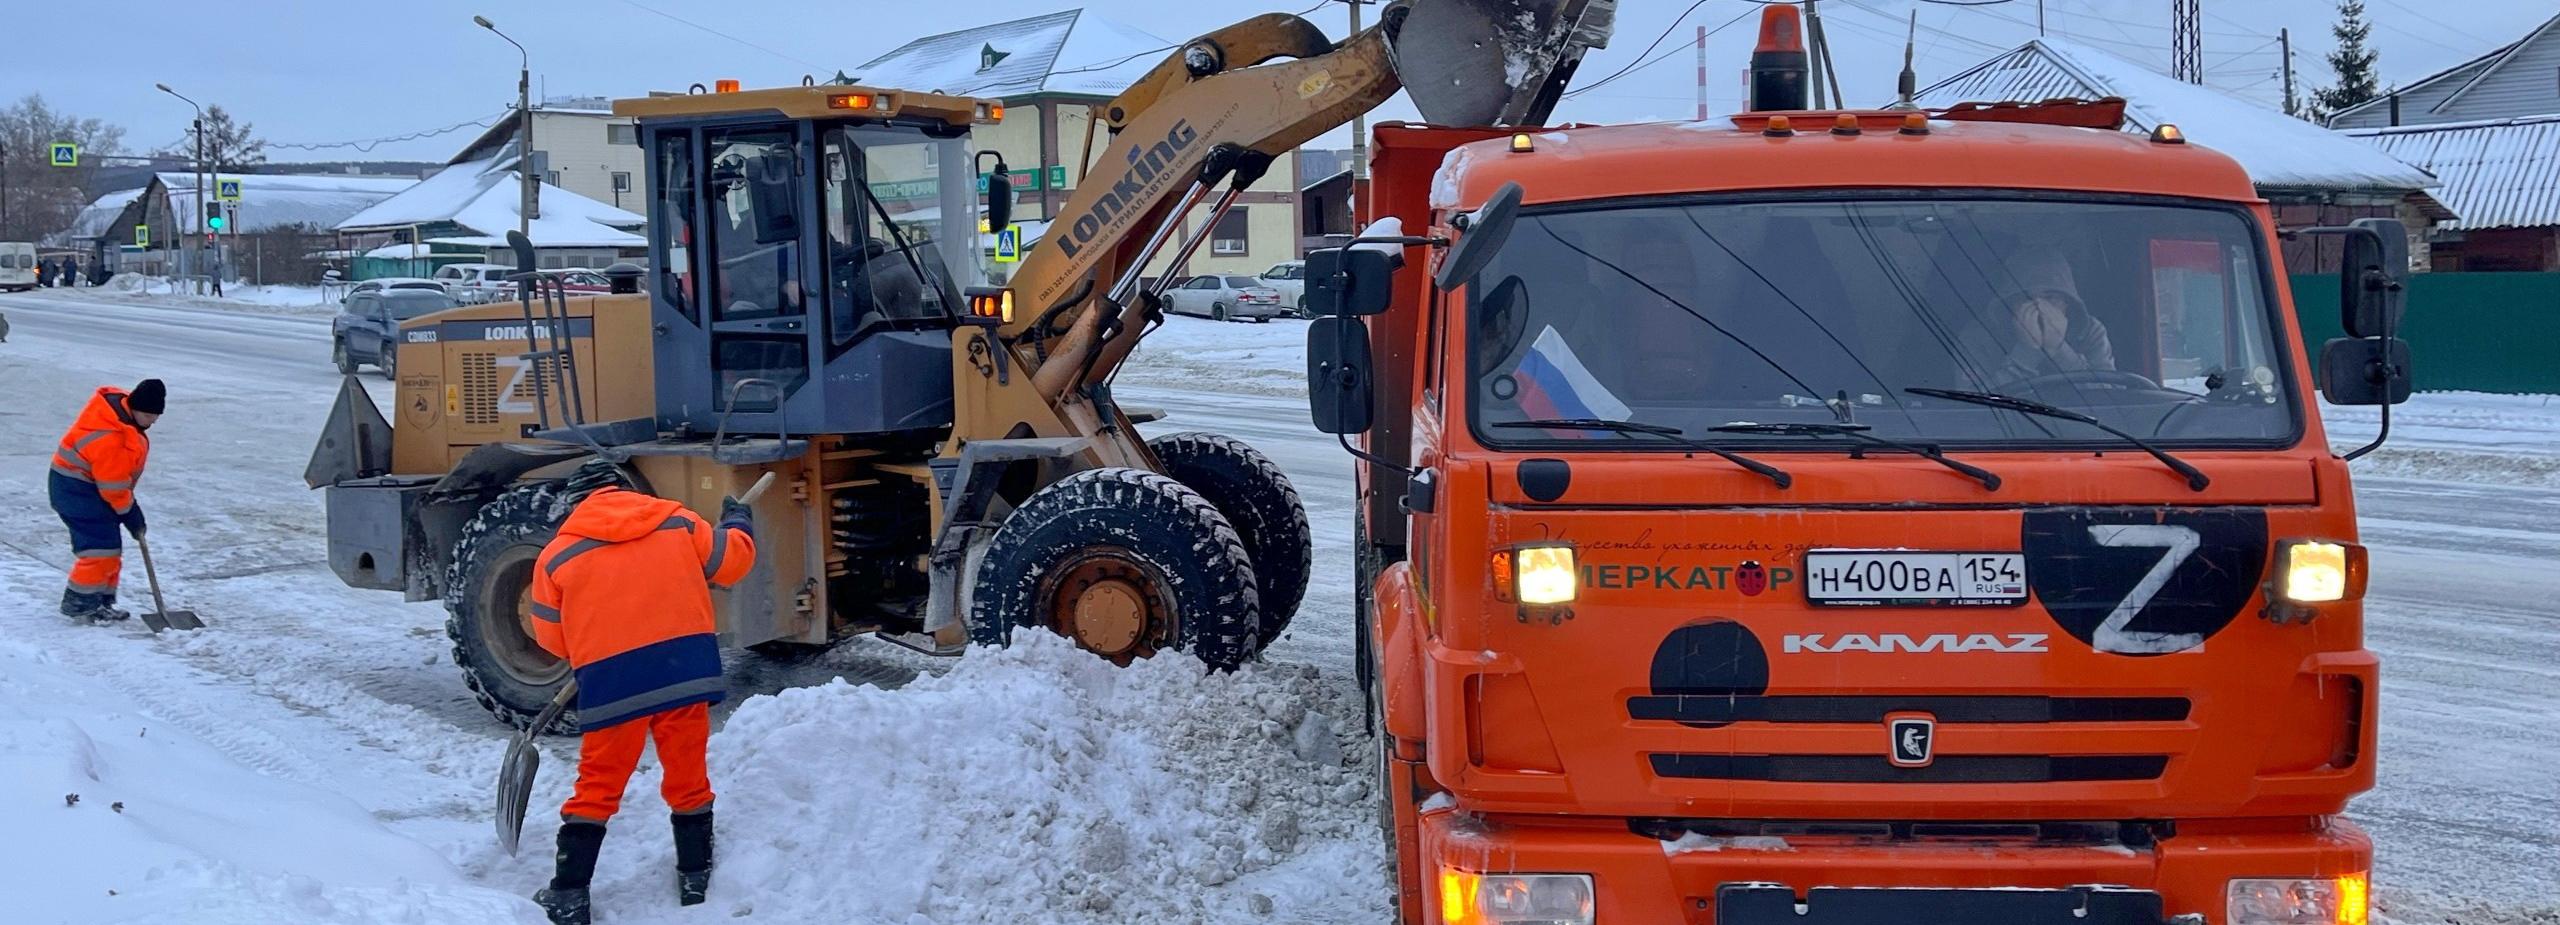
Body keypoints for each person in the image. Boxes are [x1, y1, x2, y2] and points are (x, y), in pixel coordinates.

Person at [526, 469, 757, 925]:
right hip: (683, 671)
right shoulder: (678, 522)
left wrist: (598, 640)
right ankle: (695, 878)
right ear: (627, 491)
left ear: (576, 505)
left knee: (598, 785)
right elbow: (733, 563)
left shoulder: (556, 557)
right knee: (688, 775)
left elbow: (552, 639)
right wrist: (738, 521)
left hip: (613, 683)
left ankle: (569, 894)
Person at [49, 380, 163, 623]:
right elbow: (113, 488)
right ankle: (79, 605)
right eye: (148, 415)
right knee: (99, 549)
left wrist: (127, 511)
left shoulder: (122, 415)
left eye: (156, 416)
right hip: (76, 491)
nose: (152, 421)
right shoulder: (111, 437)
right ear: (134, 407)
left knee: (109, 548)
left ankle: (100, 602)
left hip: (89, 487)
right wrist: (131, 514)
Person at [1969, 246, 2116, 385]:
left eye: (2050, 297)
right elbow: (1972, 400)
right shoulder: (1981, 336)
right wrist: (2027, 352)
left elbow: (2110, 396)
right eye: (2026, 298)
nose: (2039, 307)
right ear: (2010, 303)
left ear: (2067, 302)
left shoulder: (2090, 332)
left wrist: (2059, 349)